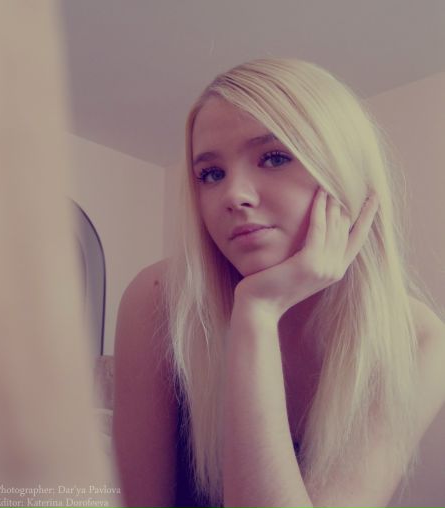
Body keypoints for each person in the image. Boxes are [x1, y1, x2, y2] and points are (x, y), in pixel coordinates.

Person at [112, 58, 445, 508]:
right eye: (211, 174)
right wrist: (259, 310)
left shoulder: (416, 340)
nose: (234, 195)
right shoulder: (159, 299)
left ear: (343, 171)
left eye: (274, 157)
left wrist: (257, 313)